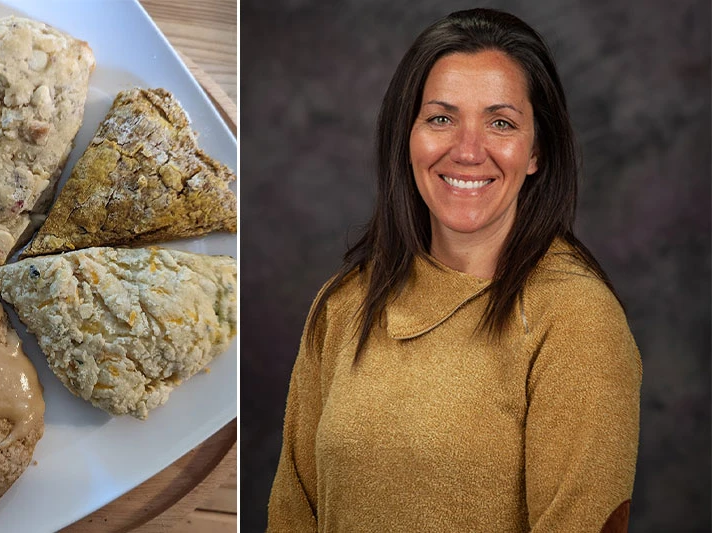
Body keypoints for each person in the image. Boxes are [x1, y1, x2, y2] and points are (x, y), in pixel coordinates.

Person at [267, 8, 641, 533]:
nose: (467, 151)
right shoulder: (346, 301)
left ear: (536, 151)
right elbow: (291, 512)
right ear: (409, 137)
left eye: (501, 123)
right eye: (441, 118)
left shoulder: (577, 319)